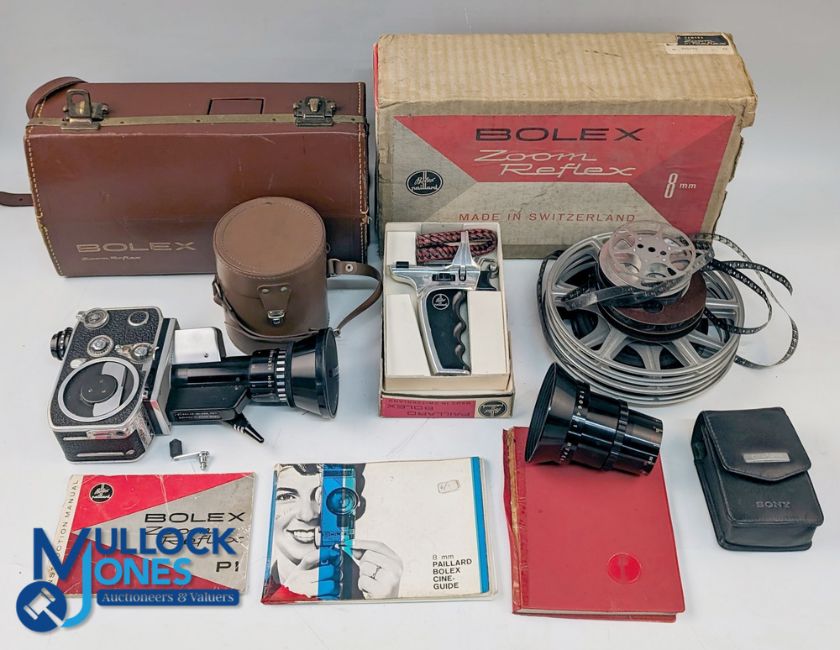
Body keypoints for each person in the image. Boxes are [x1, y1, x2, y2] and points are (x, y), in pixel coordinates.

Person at [262, 464, 403, 602]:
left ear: (354, 507)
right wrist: (285, 599)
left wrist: (385, 604)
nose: (307, 515)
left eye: (325, 496)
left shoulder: (376, 589)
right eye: (286, 497)